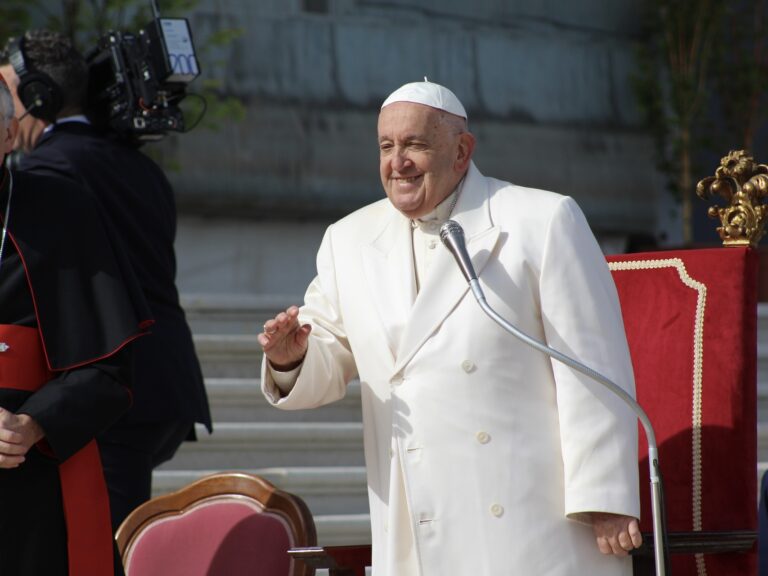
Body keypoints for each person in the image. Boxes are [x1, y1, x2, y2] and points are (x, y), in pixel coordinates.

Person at [258, 80, 642, 575]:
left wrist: (605, 495)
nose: (398, 162)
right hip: (417, 516)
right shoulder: (348, 240)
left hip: (527, 518)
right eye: (386, 147)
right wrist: (290, 359)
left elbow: (590, 366)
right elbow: (327, 355)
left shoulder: (539, 220)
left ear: (462, 150)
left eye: (415, 144)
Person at [0, 29, 213, 530]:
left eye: (10, 93)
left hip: (106, 381)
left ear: (37, 99)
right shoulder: (141, 165)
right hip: (166, 383)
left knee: (98, 540)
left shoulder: (47, 174)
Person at [0, 72, 150, 575]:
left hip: (38, 489)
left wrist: (32, 422)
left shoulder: (61, 210)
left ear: (8, 134)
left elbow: (108, 368)